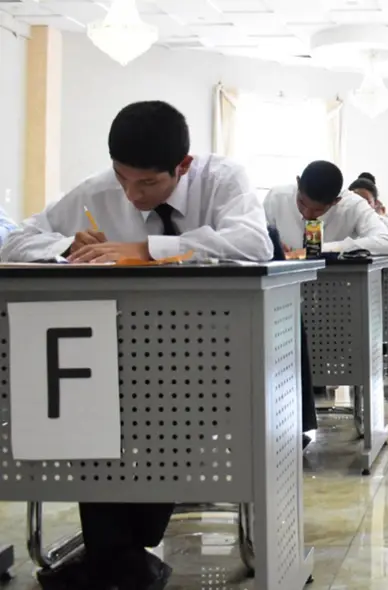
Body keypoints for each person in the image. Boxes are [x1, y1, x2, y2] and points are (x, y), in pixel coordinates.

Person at [1, 100, 272, 590]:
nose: (131, 194)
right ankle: (122, 560)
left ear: (182, 166)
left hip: (208, 357)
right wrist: (63, 247)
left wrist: (149, 250)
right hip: (117, 359)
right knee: (88, 409)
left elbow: (253, 243)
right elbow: (15, 240)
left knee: (156, 418)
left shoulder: (223, 179)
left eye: (147, 183)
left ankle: (119, 559)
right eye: (123, 178)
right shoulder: (101, 188)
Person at [263, 161, 388, 256]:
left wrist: (323, 250)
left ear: (336, 201)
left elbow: (386, 243)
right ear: (298, 183)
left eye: (317, 210)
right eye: (302, 203)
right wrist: (272, 246)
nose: (307, 214)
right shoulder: (276, 198)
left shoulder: (353, 205)